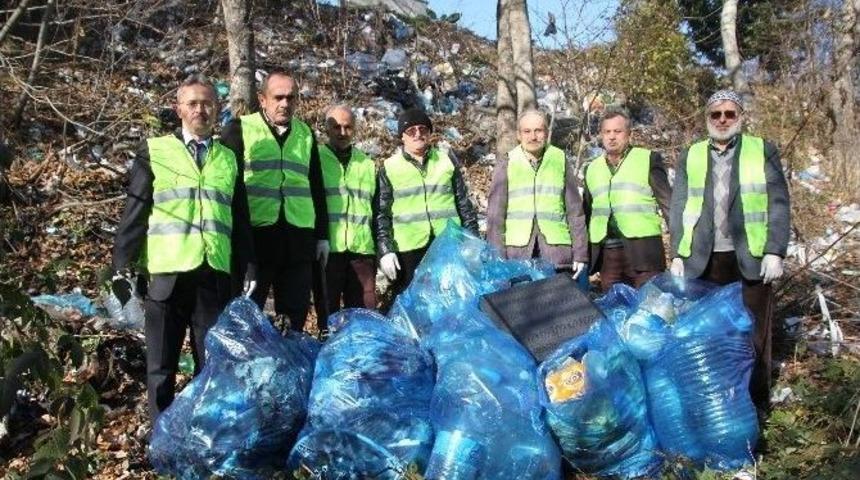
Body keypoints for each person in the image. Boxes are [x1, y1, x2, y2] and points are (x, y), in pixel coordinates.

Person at [112, 76, 255, 421]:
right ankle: (161, 437)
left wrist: (249, 266)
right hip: (168, 275)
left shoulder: (228, 158)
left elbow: (240, 217)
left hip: (213, 275)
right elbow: (137, 210)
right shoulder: (156, 151)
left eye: (207, 103)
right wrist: (121, 264)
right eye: (192, 103)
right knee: (161, 365)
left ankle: (203, 435)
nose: (200, 110)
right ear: (179, 109)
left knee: (210, 365)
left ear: (217, 109)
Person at [669, 89, 790, 412]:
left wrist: (775, 250)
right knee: (709, 335)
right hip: (703, 260)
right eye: (716, 114)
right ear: (707, 118)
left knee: (753, 332)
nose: (722, 120)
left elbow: (779, 203)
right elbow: (679, 205)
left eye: (729, 114)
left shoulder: (761, 150)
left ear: (740, 117)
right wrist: (677, 254)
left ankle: (755, 403)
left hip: (749, 257)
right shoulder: (691, 154)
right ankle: (718, 405)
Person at [221, 70, 329, 332]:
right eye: (278, 97)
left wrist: (322, 235)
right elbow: (227, 187)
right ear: (262, 99)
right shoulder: (240, 130)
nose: (285, 104)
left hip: (298, 240)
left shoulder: (304, 133)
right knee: (248, 316)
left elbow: (315, 185)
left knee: (294, 318)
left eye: (291, 98)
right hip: (257, 240)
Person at [375, 108, 478, 296]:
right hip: (408, 249)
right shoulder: (390, 168)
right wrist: (385, 250)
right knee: (413, 300)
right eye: (411, 131)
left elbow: (464, 204)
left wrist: (471, 240)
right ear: (402, 137)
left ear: (430, 133)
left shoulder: (446, 161)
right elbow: (381, 214)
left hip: (448, 243)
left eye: (422, 129)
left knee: (450, 297)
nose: (418, 134)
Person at [486, 109, 588, 277]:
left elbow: (575, 212)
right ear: (519, 135)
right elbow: (495, 217)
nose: (533, 137)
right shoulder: (508, 162)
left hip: (557, 255)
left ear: (546, 133)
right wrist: (497, 258)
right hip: (517, 256)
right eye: (527, 131)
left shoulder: (559, 159)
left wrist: (580, 253)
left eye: (538, 131)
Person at [583, 107, 671, 291]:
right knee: (614, 310)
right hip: (608, 256)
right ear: (601, 135)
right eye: (607, 132)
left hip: (645, 252)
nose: (612, 137)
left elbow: (668, 205)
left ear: (628, 134)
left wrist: (680, 252)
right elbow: (588, 213)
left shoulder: (647, 159)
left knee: (649, 309)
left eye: (617, 131)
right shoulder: (591, 169)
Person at [311, 105, 378, 331]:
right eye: (336, 126)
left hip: (362, 252)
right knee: (327, 313)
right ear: (326, 128)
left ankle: (363, 361)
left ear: (355, 129)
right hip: (329, 251)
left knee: (364, 315)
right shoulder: (316, 159)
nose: (342, 132)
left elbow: (376, 208)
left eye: (347, 127)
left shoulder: (367, 164)